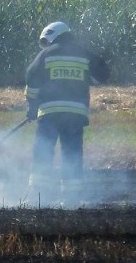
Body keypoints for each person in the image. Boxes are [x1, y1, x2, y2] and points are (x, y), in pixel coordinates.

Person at [24, 21, 109, 205]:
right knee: (72, 155)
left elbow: (32, 80)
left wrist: (32, 106)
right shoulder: (83, 54)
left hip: (49, 114)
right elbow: (102, 73)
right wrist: (86, 78)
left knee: (43, 153)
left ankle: (39, 199)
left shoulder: (45, 54)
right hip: (75, 114)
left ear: (52, 36)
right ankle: (72, 201)